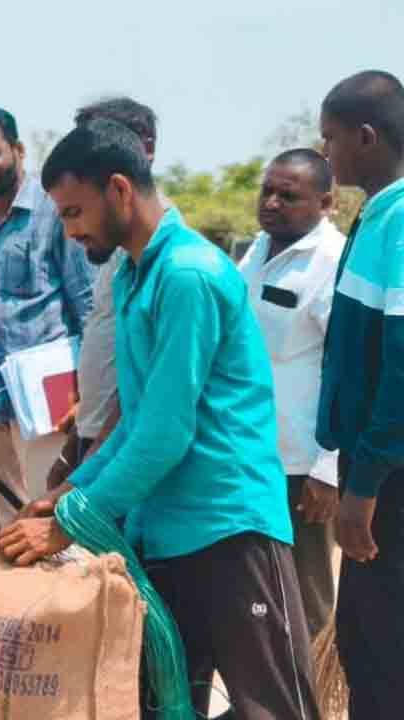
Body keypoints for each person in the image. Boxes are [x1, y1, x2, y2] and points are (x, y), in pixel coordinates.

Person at [0, 120, 317, 720]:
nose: (70, 232)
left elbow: (167, 435)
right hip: (162, 530)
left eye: (74, 213)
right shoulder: (132, 273)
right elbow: (139, 420)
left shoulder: (188, 274)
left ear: (118, 190)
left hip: (229, 528)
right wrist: (70, 492)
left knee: (274, 709)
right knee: (163, 706)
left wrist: (67, 524)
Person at [0, 105, 94, 528]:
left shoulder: (54, 213)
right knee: (1, 518)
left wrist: (87, 393)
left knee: (48, 517)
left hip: (46, 409)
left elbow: (88, 308)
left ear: (18, 150)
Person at [315, 69, 404, 718]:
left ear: (366, 137)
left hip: (389, 479)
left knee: (378, 652)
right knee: (365, 644)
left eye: (331, 139)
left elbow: (401, 370)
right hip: (372, 469)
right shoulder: (378, 217)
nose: (326, 153)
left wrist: (364, 486)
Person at [237, 149, 345, 642]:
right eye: (267, 191)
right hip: (248, 455)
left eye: (289, 195)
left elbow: (349, 373)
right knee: (257, 595)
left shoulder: (332, 264)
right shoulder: (258, 249)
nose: (272, 203)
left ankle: (317, 705)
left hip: (301, 468)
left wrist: (328, 469)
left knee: (308, 598)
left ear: (326, 202)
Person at [46, 98, 160, 492]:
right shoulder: (125, 261)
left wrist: (76, 504)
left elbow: (160, 421)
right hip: (102, 444)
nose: (69, 232)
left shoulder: (181, 273)